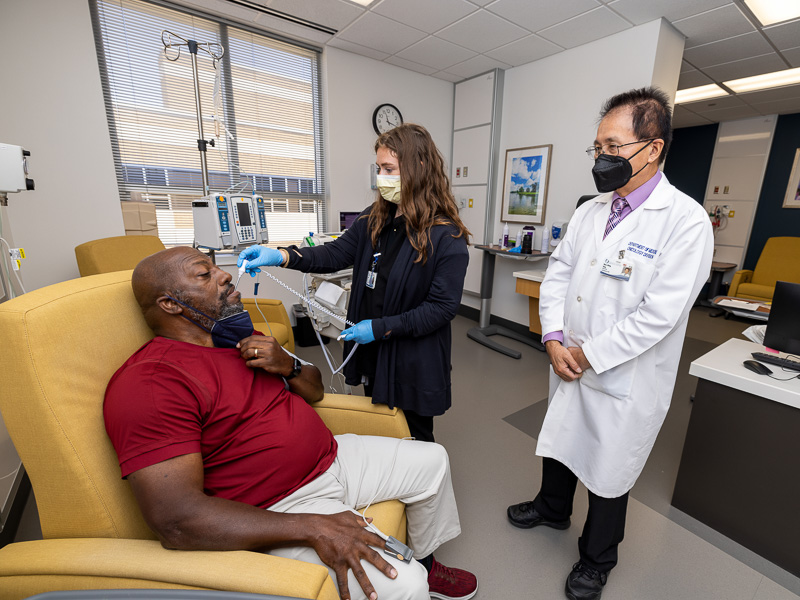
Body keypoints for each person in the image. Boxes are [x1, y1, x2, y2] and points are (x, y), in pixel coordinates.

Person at [104, 246, 478, 600]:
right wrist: (312, 525)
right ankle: (418, 576)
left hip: (332, 458)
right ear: (170, 303)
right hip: (279, 504)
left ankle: (429, 563)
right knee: (406, 585)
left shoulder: (239, 336)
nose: (225, 276)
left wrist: (291, 365)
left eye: (217, 266)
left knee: (433, 460)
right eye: (205, 274)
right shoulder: (153, 382)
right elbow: (176, 521)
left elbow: (314, 391)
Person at [506, 88, 713, 600]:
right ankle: (552, 510)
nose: (602, 159)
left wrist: (588, 354)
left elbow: (660, 315)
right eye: (598, 147)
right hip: (567, 355)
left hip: (623, 375)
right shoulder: (592, 211)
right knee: (560, 441)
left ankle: (597, 559)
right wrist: (552, 336)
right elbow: (557, 273)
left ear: (653, 148)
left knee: (608, 468)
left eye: (614, 148)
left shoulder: (685, 222)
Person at [238, 123, 470, 443]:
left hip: (412, 356)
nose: (381, 177)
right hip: (373, 350)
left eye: (389, 168)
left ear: (419, 168)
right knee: (380, 424)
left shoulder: (447, 236)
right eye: (379, 169)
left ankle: (422, 490)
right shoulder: (374, 218)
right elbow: (334, 254)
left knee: (413, 435)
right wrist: (281, 255)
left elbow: (442, 308)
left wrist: (378, 327)